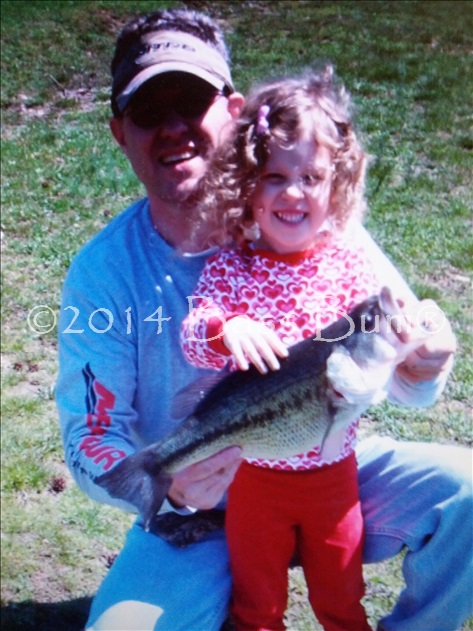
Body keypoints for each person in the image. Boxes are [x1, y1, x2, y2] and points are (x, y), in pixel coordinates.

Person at [55, 7, 472, 631]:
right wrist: (170, 491)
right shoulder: (104, 275)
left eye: (191, 102)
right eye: (149, 111)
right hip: (196, 515)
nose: (174, 128)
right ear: (120, 131)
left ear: (234, 110)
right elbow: (90, 435)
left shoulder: (314, 223)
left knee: (468, 490)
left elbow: (397, 358)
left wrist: (427, 365)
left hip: (328, 470)